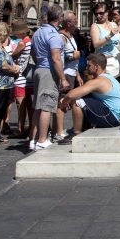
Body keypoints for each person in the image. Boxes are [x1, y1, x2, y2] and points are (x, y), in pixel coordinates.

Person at [29, 5, 68, 151]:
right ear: (59, 18)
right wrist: (63, 78)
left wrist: (40, 61)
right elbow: (56, 58)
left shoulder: (38, 32)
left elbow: (32, 53)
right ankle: (42, 140)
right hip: (48, 72)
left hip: (38, 69)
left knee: (37, 106)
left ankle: (33, 140)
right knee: (46, 106)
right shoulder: (53, 35)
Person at [60, 52, 120, 132]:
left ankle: (76, 134)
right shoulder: (108, 77)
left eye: (89, 65)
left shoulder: (98, 81)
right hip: (116, 118)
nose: (86, 68)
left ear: (96, 67)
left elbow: (71, 95)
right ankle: (84, 128)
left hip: (111, 118)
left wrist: (64, 102)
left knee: (77, 101)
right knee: (84, 98)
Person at [52, 12, 81, 142]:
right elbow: (59, 57)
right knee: (63, 102)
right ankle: (58, 132)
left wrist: (78, 74)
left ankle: (56, 130)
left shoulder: (71, 36)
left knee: (69, 101)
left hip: (72, 73)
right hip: (66, 73)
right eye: (75, 21)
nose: (77, 23)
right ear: (68, 23)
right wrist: (73, 57)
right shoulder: (61, 37)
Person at [9, 20, 33, 138]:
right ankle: (32, 127)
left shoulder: (22, 43)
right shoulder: (30, 41)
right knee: (28, 103)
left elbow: (13, 55)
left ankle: (20, 128)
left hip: (20, 75)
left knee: (20, 103)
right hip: (28, 76)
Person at [90, 2, 120, 79]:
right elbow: (96, 44)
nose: (98, 16)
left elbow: (118, 41)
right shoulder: (95, 26)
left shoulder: (114, 24)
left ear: (107, 12)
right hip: (105, 62)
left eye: (101, 13)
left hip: (118, 59)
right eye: (96, 13)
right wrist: (109, 35)